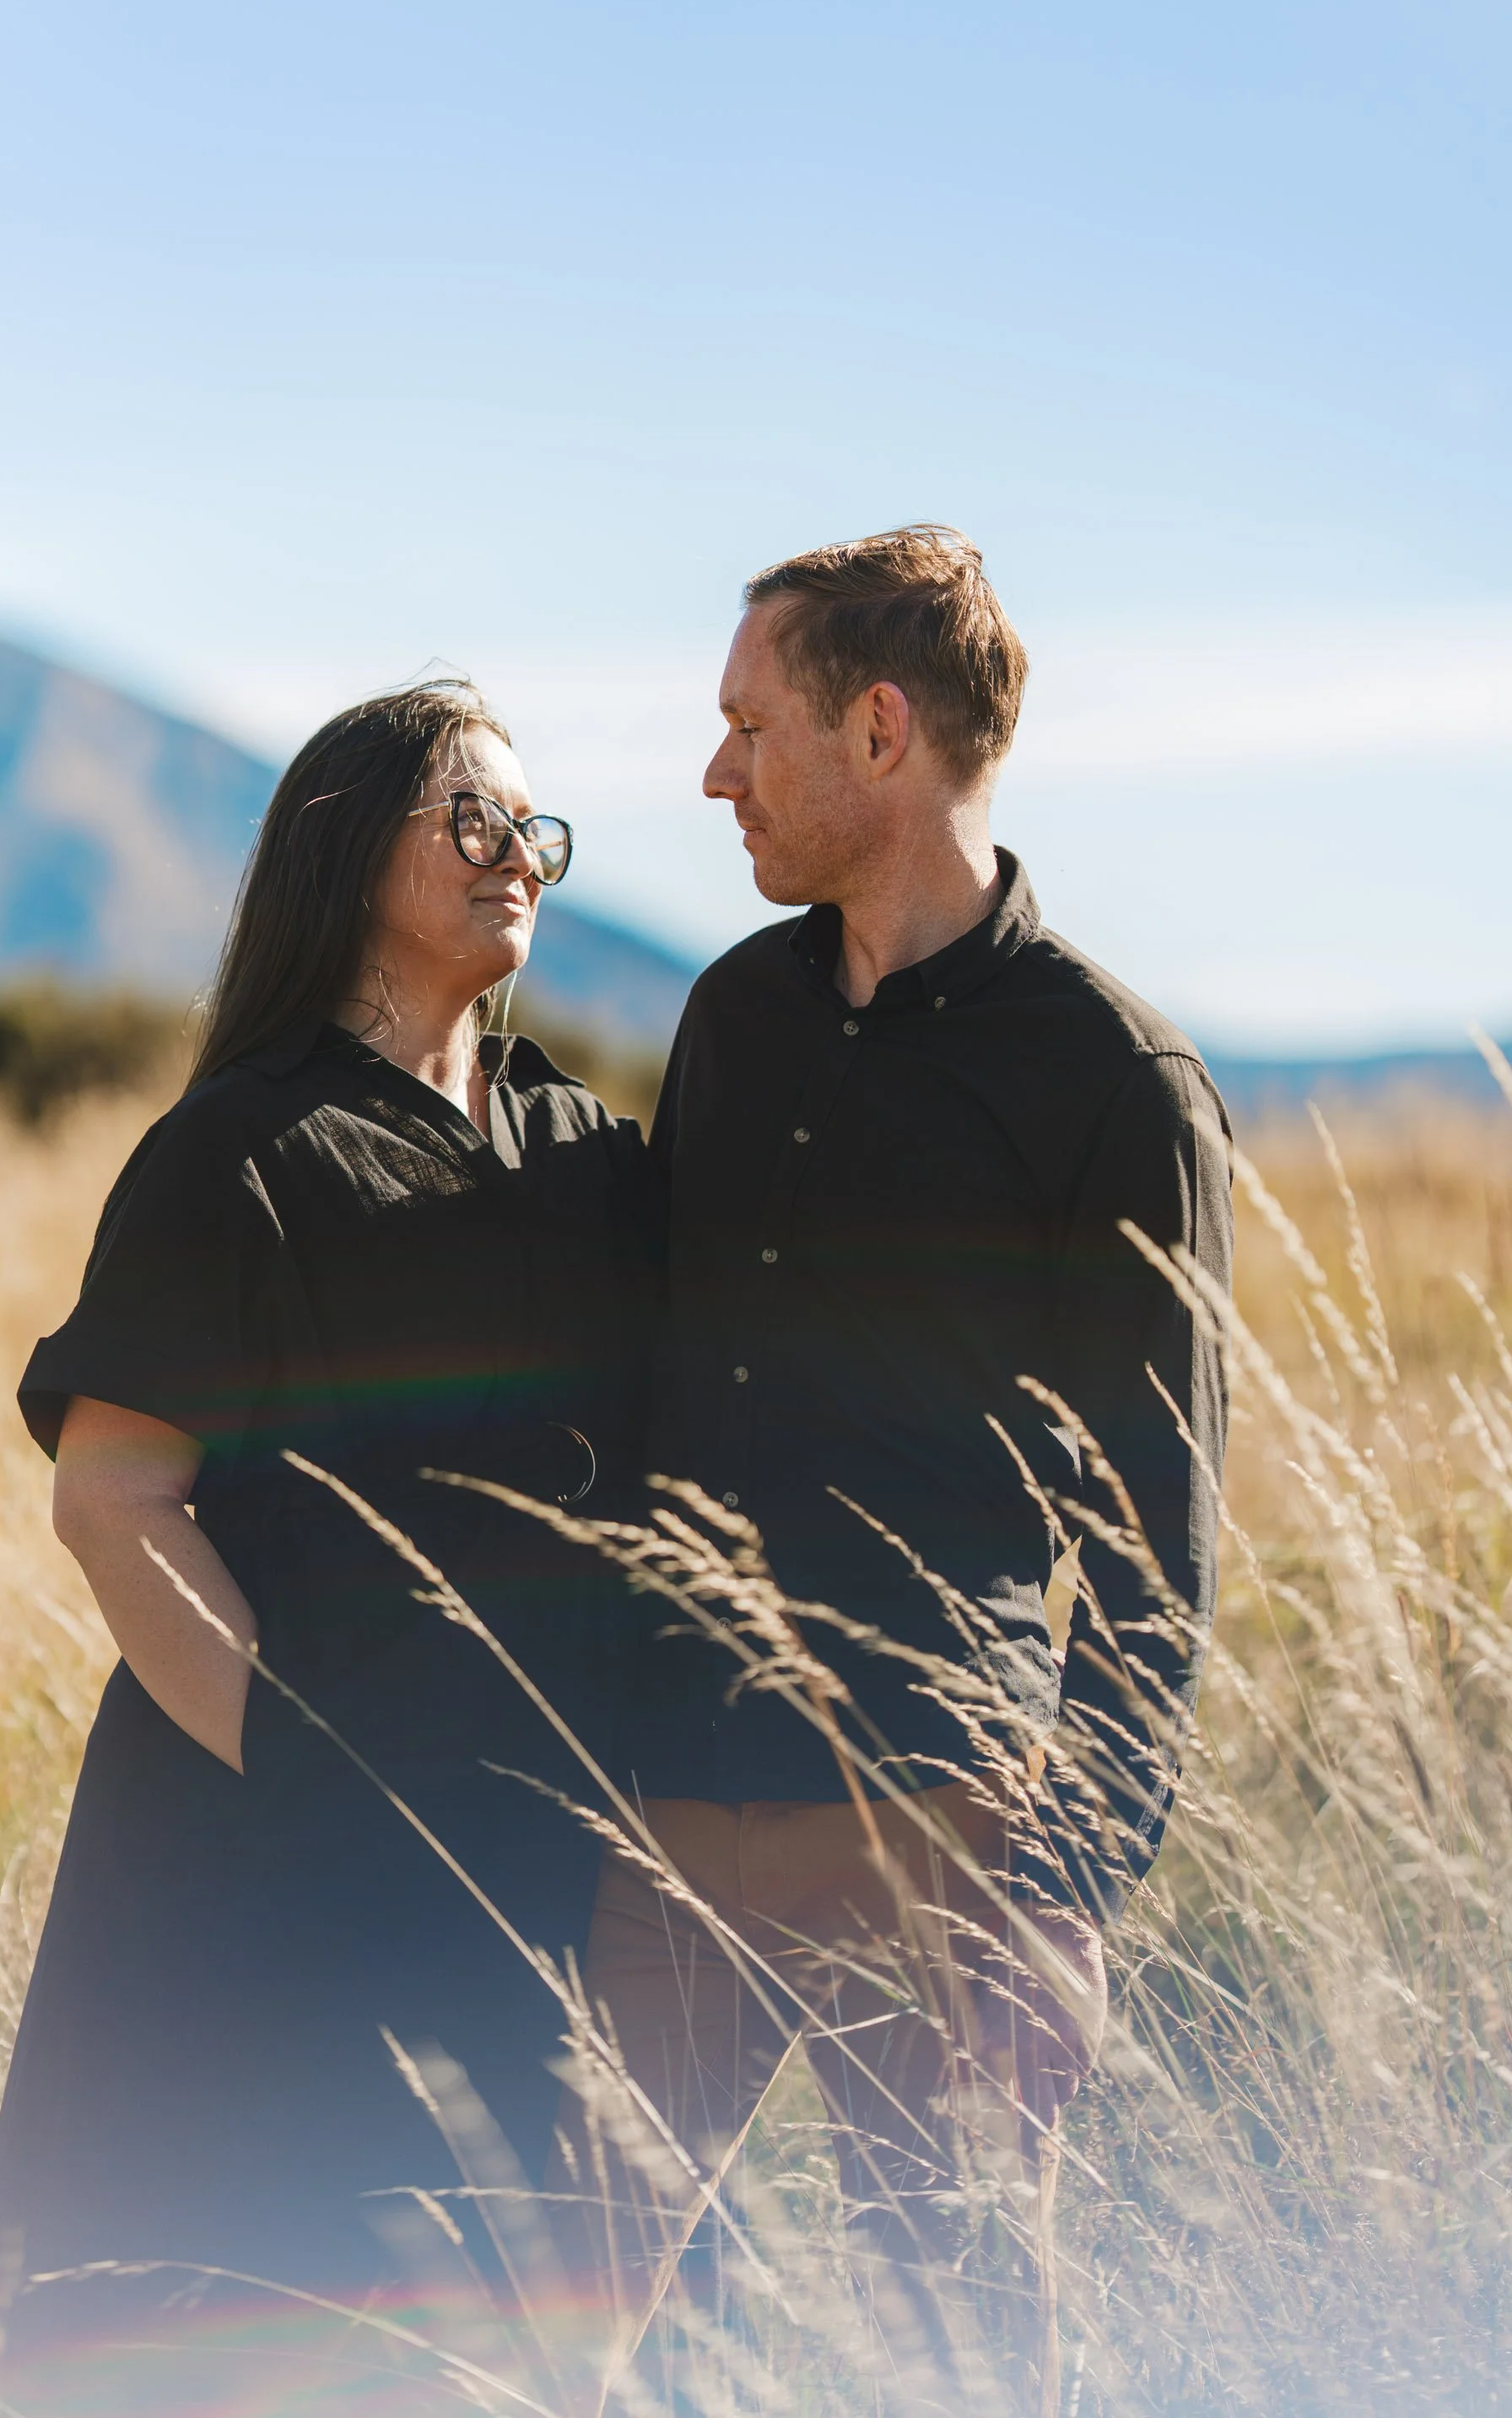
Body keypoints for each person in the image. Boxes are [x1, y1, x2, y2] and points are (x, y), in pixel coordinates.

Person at [0, 681, 658, 2416]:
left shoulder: (583, 1158)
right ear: (348, 852)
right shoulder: (240, 1150)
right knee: (236, 2317)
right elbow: (114, 1499)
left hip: (534, 1852)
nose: (516, 855)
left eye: (532, 827)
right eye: (469, 817)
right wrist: (304, 1762)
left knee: (496, 2326)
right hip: (265, 1855)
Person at [570, 527, 1234, 2415]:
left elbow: (1147, 1545)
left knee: (955, 2358)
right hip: (674, 1819)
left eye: (744, 726)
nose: (714, 775)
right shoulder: (732, 1017)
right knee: (562, 2324)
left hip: (938, 1841)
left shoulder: (1114, 1081)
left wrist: (1068, 1898)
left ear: (879, 730)